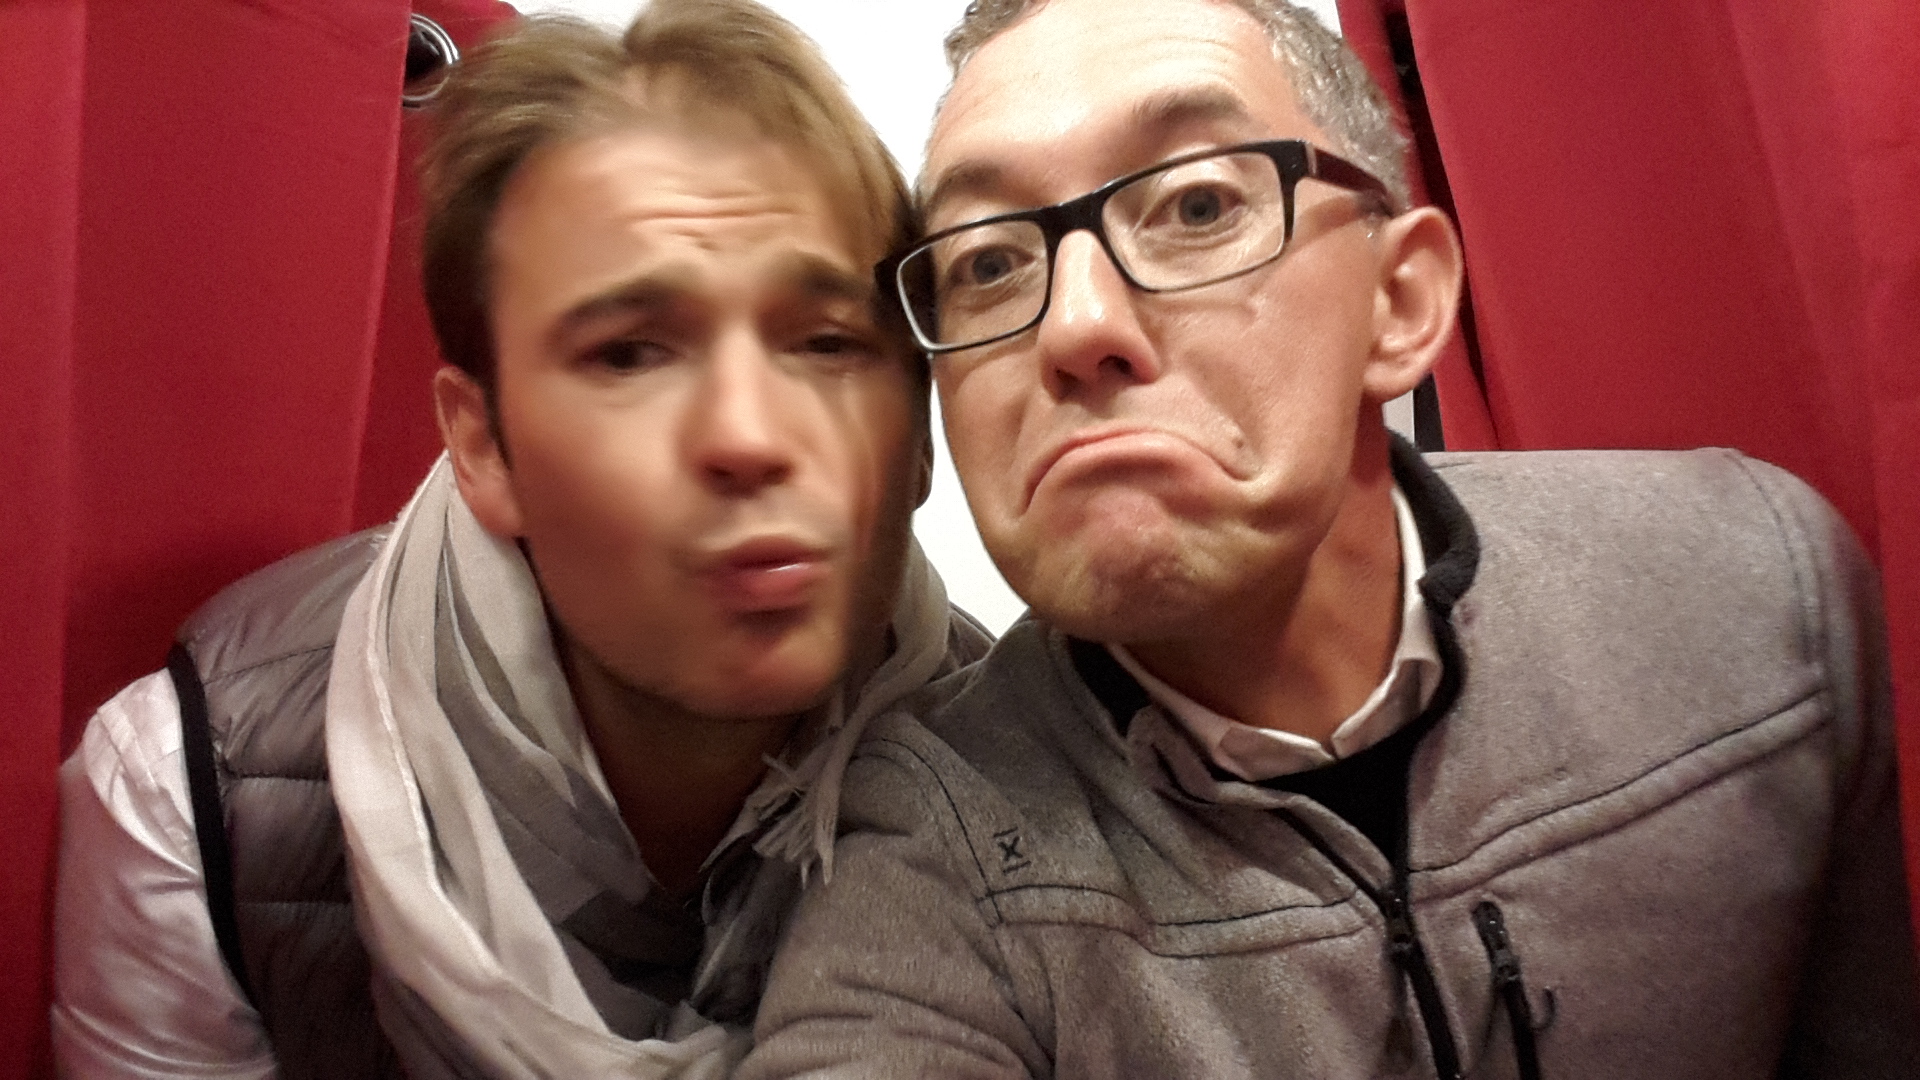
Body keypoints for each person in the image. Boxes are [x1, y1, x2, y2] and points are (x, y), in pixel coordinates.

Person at [741, 0, 1919, 1076]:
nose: (1078, 326)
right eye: (989, 263)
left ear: (1398, 301)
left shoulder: (1755, 594)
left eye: (1197, 205)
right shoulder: (925, 845)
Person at [51, 3, 990, 1077]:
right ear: (483, 446)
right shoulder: (205, 789)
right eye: (629, 353)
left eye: (827, 343)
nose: (750, 434)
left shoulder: (1019, 764)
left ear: (923, 433)